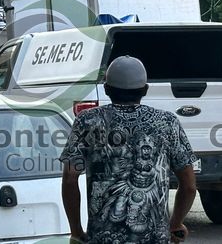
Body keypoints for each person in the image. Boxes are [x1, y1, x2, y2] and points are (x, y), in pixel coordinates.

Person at [60, 56, 198, 243]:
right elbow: (189, 186)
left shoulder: (88, 121)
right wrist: (175, 224)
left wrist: (76, 231)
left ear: (106, 89)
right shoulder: (167, 122)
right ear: (145, 90)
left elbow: (69, 178)